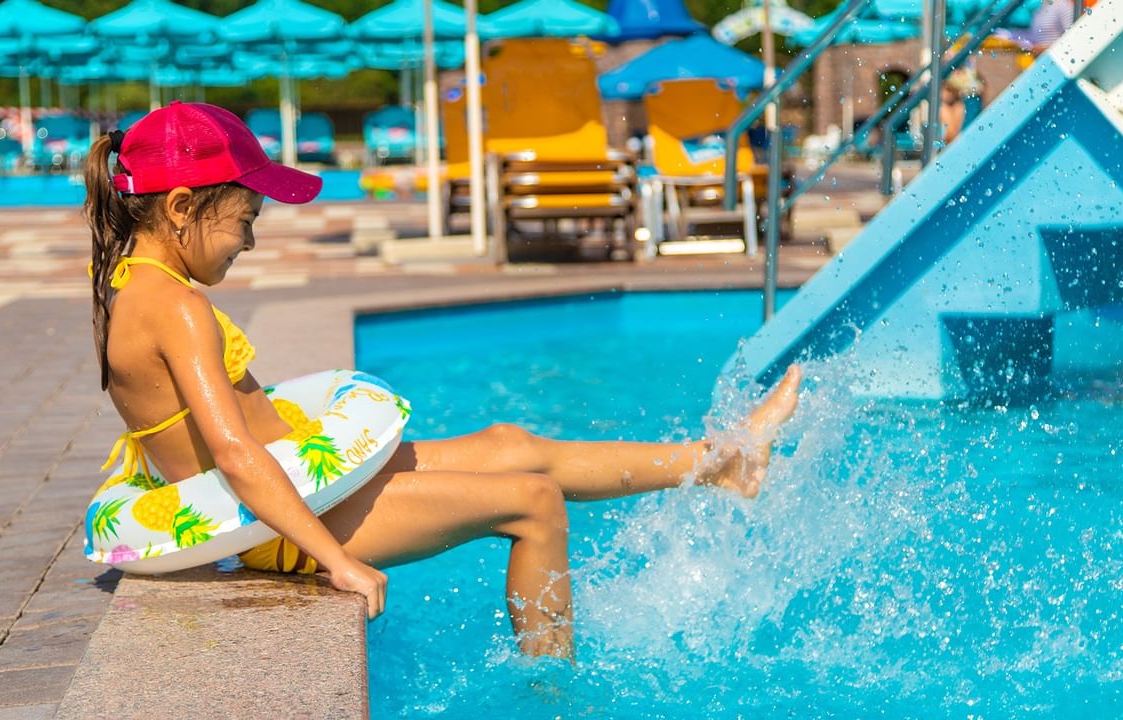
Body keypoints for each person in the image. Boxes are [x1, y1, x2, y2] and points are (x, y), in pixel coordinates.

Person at [83, 102, 803, 661]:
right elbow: (236, 455)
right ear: (181, 207)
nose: (250, 240)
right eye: (245, 219)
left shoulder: (141, 283)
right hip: (289, 524)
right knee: (533, 503)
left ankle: (726, 464)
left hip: (308, 484)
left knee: (510, 442)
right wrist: (337, 563)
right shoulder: (176, 306)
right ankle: (552, 687)